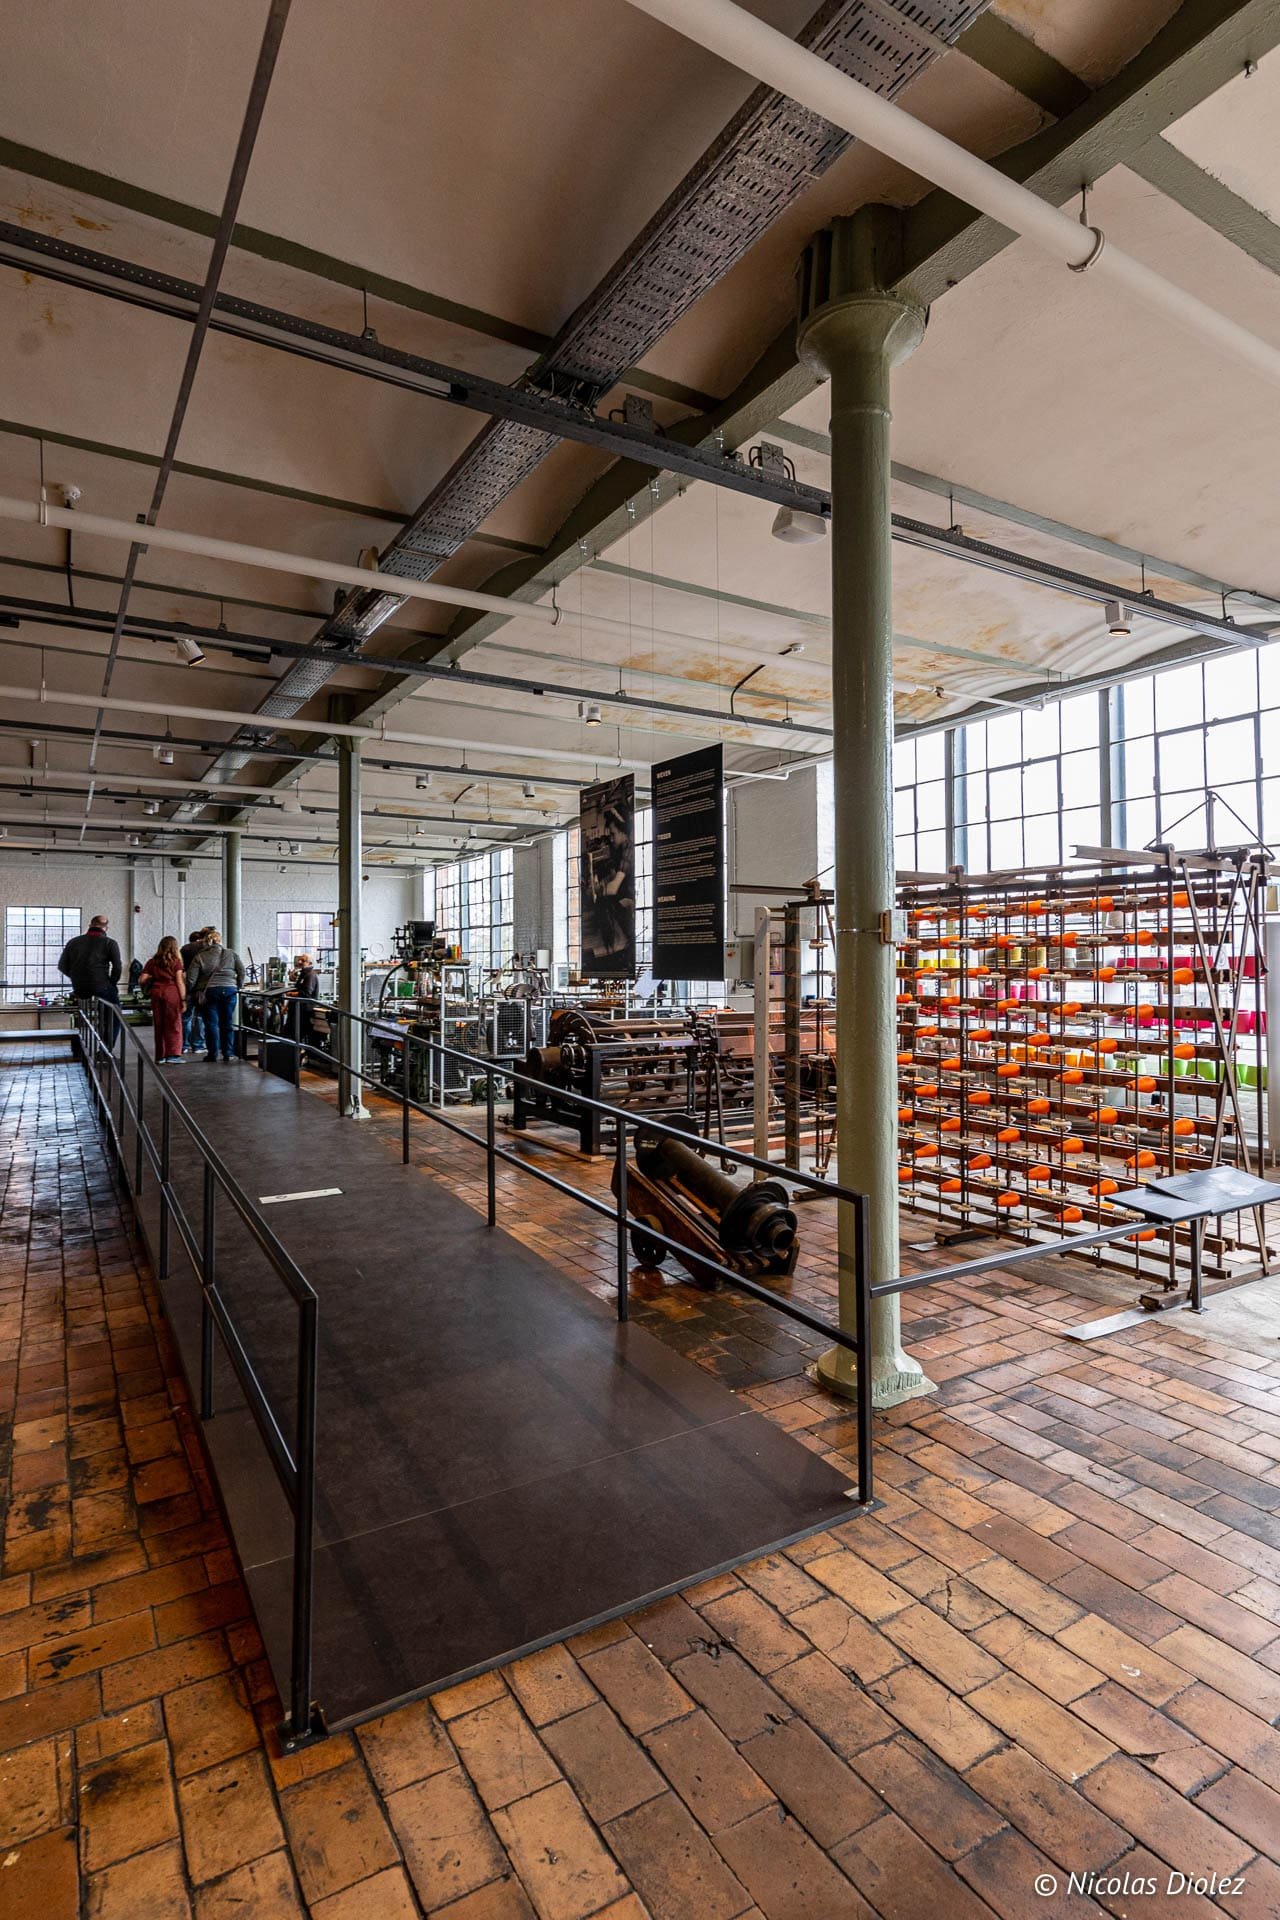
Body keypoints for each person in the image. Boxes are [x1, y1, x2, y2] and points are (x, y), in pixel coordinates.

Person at [186, 929, 245, 1062]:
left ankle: (212, 1054)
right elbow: (242, 971)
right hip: (229, 991)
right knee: (228, 1023)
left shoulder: (200, 956)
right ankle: (228, 1053)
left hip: (209, 992)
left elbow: (191, 978)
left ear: (206, 942)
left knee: (211, 1024)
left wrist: (189, 991)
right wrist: (238, 986)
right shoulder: (231, 953)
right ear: (220, 941)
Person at [139, 936, 187, 1063]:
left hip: (156, 992)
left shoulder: (152, 962)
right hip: (171, 993)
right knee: (173, 1024)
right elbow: (179, 982)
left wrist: (154, 979)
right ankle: (173, 1055)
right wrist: (183, 1000)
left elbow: (142, 979)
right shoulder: (176, 962)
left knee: (159, 1024)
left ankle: (161, 1056)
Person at [57, 915, 123, 1005]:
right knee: (113, 1015)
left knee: (82, 1013)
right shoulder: (110, 943)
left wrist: (76, 977)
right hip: (101, 985)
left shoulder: (73, 942)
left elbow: (62, 966)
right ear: (106, 928)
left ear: (90, 926)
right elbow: (117, 967)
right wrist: (111, 983)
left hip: (79, 987)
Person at [180, 928, 210, 1054]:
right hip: (202, 986)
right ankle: (198, 1045)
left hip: (187, 984)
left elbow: (181, 966)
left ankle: (184, 1045)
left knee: (186, 1017)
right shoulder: (206, 949)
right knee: (200, 1017)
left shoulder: (185, 948)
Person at [290, 952, 319, 1049]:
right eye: (300, 959)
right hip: (297, 1009)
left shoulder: (310, 975)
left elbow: (306, 993)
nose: (300, 962)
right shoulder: (302, 974)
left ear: (310, 963)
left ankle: (299, 1055)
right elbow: (297, 988)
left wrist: (291, 994)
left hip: (305, 1010)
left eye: (303, 960)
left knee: (300, 1033)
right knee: (292, 1034)